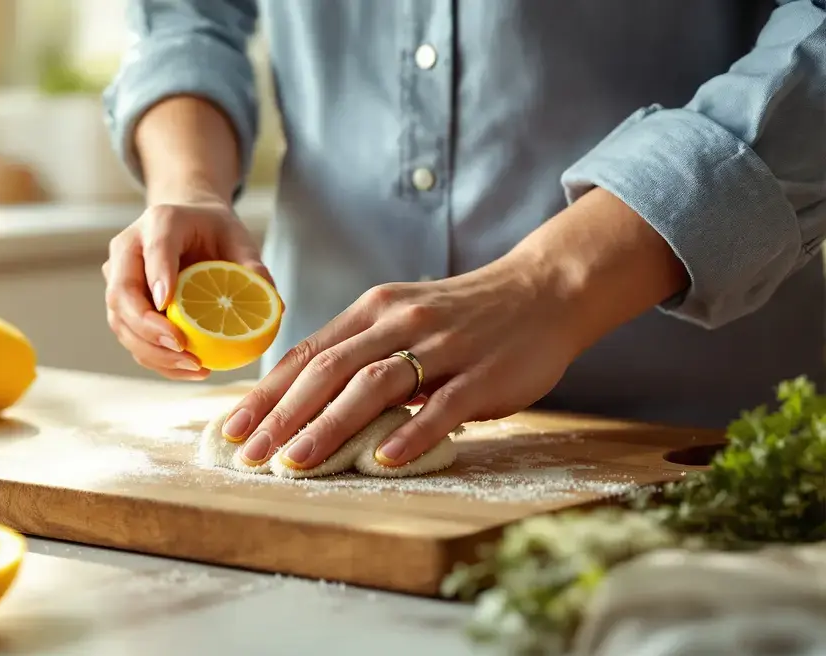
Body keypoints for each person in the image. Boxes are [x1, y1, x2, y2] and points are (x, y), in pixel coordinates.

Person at [100, 1, 826, 475]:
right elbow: (182, 17)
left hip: (696, 437)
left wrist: (552, 283)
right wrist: (187, 183)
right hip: (317, 426)